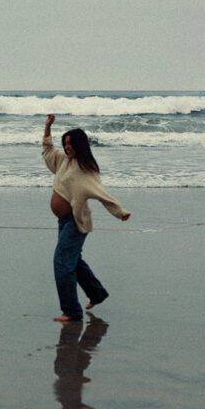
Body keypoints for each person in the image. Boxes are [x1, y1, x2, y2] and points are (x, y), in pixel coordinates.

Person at [43, 114, 130, 323]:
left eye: (71, 144)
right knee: (73, 261)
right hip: (63, 222)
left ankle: (72, 311)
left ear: (80, 145)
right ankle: (97, 294)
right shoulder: (64, 161)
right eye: (65, 144)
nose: (67, 148)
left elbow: (101, 193)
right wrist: (47, 127)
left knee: (62, 262)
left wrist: (120, 212)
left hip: (75, 222)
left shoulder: (85, 169)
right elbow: (47, 152)